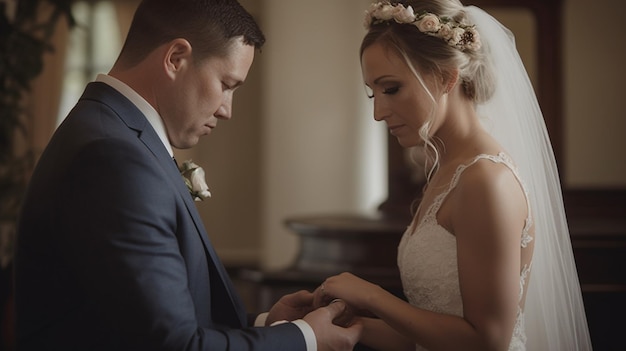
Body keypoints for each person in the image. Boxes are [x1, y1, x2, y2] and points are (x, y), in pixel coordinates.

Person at [13, 0, 361, 350]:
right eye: (226, 84)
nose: (227, 110)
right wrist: (305, 339)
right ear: (176, 58)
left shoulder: (111, 134)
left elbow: (137, 320)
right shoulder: (112, 156)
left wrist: (268, 325)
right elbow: (173, 344)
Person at [313, 1, 592, 350]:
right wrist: (346, 325)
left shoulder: (486, 181)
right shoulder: (449, 171)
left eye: (391, 89)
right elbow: (430, 333)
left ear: (446, 77)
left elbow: (487, 340)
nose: (378, 112)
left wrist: (371, 296)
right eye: (373, 93)